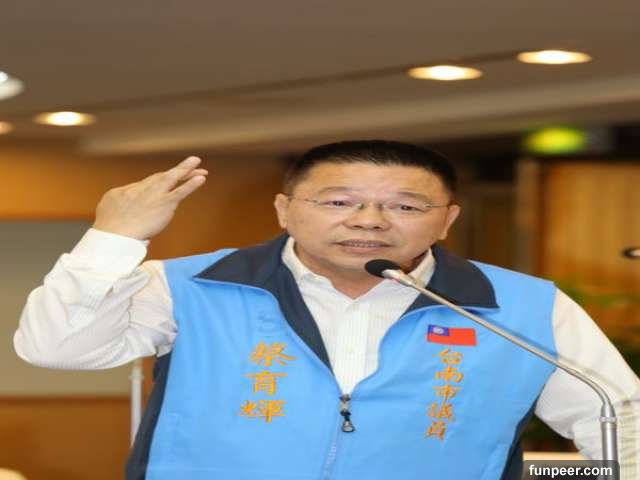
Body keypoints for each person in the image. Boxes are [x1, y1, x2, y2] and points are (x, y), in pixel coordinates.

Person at [14, 140, 639, 480]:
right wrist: (114, 238)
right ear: (285, 210)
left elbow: (622, 419)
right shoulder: (189, 285)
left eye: (405, 206)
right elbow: (57, 349)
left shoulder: (521, 306)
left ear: (447, 220)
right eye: (338, 202)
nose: (369, 221)